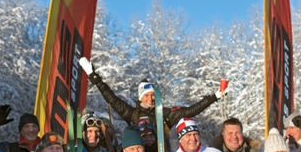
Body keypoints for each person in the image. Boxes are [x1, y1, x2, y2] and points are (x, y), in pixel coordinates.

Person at [78, 56, 227, 130]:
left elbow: (191, 110)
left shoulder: (165, 113)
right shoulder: (132, 114)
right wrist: (94, 76)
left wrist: (214, 97)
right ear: (140, 97)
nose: (150, 99)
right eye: (146, 95)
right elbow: (111, 97)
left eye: (153, 95)